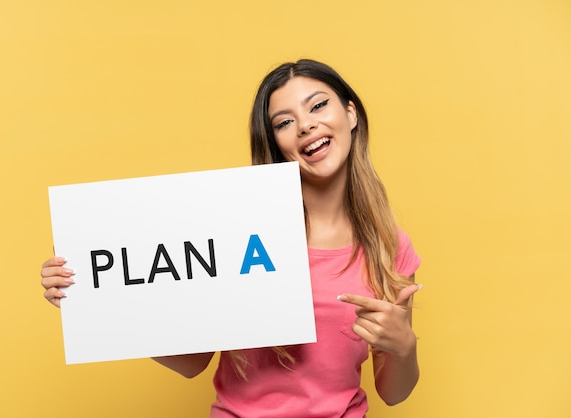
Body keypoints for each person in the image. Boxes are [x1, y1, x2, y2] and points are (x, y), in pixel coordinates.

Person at [40, 59, 422, 417]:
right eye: (284, 122)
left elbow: (393, 392)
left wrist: (404, 346)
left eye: (318, 106)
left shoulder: (389, 246)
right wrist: (98, 302)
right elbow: (192, 362)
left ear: (350, 113)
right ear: (277, 144)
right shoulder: (238, 226)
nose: (306, 125)